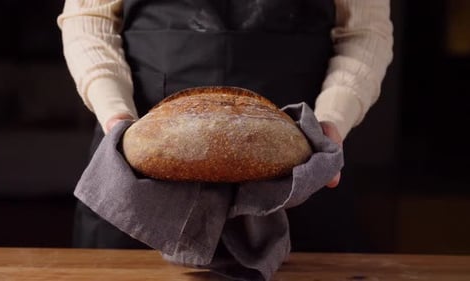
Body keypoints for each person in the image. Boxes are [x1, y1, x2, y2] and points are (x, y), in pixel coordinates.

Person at [57, 0, 394, 251]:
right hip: (138, 173)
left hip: (297, 173)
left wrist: (332, 121)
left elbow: (365, 30)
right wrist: (116, 116)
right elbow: (89, 17)